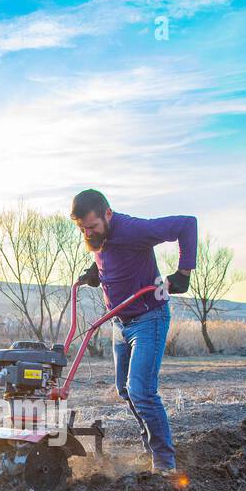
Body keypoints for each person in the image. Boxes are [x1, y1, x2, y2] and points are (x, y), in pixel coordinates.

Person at [70, 188, 196, 473]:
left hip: (148, 318)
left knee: (141, 391)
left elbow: (188, 224)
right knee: (125, 390)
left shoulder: (133, 230)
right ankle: (150, 448)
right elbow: (114, 257)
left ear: (108, 214)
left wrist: (184, 273)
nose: (88, 233)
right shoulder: (99, 237)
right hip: (119, 322)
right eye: (82, 229)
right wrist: (95, 271)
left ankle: (165, 465)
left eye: (92, 226)